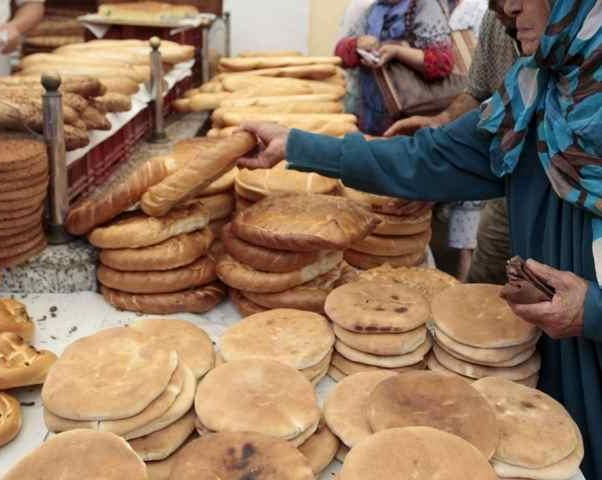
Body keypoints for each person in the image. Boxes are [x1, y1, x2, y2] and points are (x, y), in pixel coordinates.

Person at [238, 0, 602, 475]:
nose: (509, 6)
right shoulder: (537, 94)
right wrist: (299, 145)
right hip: (553, 354)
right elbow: (427, 159)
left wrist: (592, 310)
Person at [385, 4, 520, 283]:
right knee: (486, 277)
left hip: (567, 195)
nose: (507, 8)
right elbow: (477, 92)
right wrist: (442, 121)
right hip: (508, 188)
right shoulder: (493, 21)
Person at [334, 0, 455, 135]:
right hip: (370, 112)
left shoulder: (424, 5)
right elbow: (340, 56)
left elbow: (442, 63)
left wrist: (397, 52)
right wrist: (357, 44)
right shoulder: (373, 9)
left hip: (412, 116)